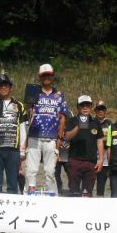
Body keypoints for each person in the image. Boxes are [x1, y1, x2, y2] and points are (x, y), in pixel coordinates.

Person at [25, 63, 68, 193]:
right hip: (34, 136)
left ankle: (52, 196)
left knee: (50, 171)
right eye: (44, 75)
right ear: (39, 77)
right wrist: (29, 99)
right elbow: (26, 109)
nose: (46, 78)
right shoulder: (34, 92)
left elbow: (63, 117)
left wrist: (60, 137)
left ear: (52, 76)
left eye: (49, 75)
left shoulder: (59, 95)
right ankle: (28, 195)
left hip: (51, 138)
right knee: (31, 170)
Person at [0, 73, 28, 194]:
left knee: (12, 185)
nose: (3, 88)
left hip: (13, 150)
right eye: (0, 86)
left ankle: (11, 211)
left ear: (10, 87)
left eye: (6, 85)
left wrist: (22, 150)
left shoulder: (19, 105)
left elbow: (23, 129)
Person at [63, 95, 104, 196]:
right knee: (73, 191)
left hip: (91, 162)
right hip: (75, 160)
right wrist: (79, 126)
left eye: (87, 105)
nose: (85, 108)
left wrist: (101, 159)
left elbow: (99, 141)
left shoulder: (95, 122)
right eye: (82, 105)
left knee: (88, 193)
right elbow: (67, 136)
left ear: (91, 107)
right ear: (77, 107)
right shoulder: (72, 120)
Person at [94, 101, 112, 197]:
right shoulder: (91, 121)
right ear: (95, 110)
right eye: (98, 109)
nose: (100, 111)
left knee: (101, 185)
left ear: (105, 111)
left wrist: (98, 137)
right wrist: (104, 136)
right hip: (92, 157)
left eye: (103, 109)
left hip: (104, 159)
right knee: (89, 185)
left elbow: (112, 138)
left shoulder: (109, 123)